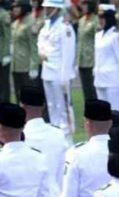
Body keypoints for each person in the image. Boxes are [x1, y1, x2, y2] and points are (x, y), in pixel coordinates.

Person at [37, 0, 75, 134]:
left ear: (57, 9)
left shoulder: (65, 27)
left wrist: (65, 76)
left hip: (59, 72)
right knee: (51, 105)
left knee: (62, 105)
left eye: (49, 8)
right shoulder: (46, 26)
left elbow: (68, 53)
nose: (46, 10)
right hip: (47, 70)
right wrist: (42, 51)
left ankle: (66, 134)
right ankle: (55, 131)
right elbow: (40, 42)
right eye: (46, 8)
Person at [93, 4, 119, 120]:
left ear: (110, 18)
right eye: (99, 17)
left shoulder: (116, 36)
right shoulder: (98, 35)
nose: (101, 20)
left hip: (113, 80)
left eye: (103, 17)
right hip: (100, 78)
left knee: (115, 111)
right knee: (102, 113)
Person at [75, 0, 98, 101]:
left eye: (85, 4)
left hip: (92, 57)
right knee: (85, 87)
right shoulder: (82, 20)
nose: (83, 7)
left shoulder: (96, 20)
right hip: (82, 58)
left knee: (93, 87)